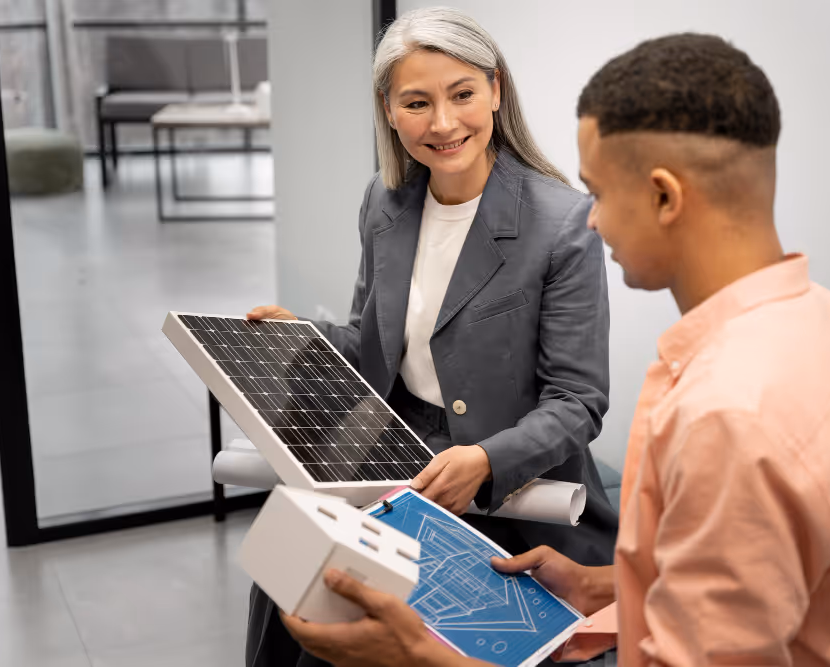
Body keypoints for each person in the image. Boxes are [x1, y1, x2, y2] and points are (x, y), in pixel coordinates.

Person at [275, 32, 830, 667]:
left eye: (601, 192)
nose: (589, 216)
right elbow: (775, 585)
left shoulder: (722, 416)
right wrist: (610, 587)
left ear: (665, 196)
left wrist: (420, 659)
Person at [244, 7, 619, 667]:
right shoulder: (384, 205)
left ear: (496, 90)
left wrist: (486, 462)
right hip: (396, 464)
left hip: (508, 496)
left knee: (363, 632)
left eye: (463, 94)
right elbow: (376, 346)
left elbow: (577, 400)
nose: (444, 123)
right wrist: (304, 338)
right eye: (417, 102)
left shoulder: (561, 223)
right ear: (389, 110)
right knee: (286, 586)